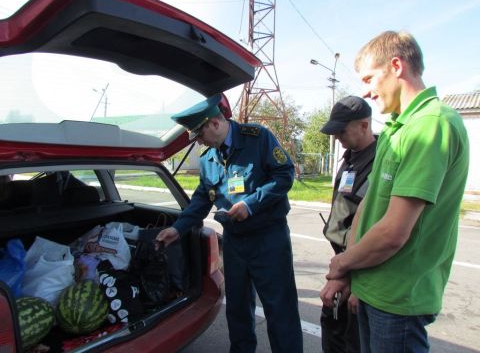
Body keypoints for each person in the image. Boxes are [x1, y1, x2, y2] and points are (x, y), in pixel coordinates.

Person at [320, 30, 469, 352]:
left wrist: (343, 265)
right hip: (374, 287)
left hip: (399, 296)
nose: (367, 92)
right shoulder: (396, 130)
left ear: (397, 66)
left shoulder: (431, 125)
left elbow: (393, 232)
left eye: (370, 78)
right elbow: (366, 208)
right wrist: (350, 272)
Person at [156, 94, 303, 353]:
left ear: (214, 123)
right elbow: (201, 200)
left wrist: (250, 205)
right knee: (237, 310)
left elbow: (284, 174)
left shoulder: (257, 138)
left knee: (280, 310)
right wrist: (176, 229)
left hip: (268, 239)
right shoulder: (208, 160)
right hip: (235, 242)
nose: (199, 142)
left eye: (199, 135)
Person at [319, 96, 376, 353]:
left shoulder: (381, 160)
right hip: (342, 260)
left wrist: (355, 281)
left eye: (342, 131)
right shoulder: (350, 156)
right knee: (333, 328)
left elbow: (374, 226)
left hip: (359, 266)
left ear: (364, 126)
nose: (337, 137)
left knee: (353, 340)